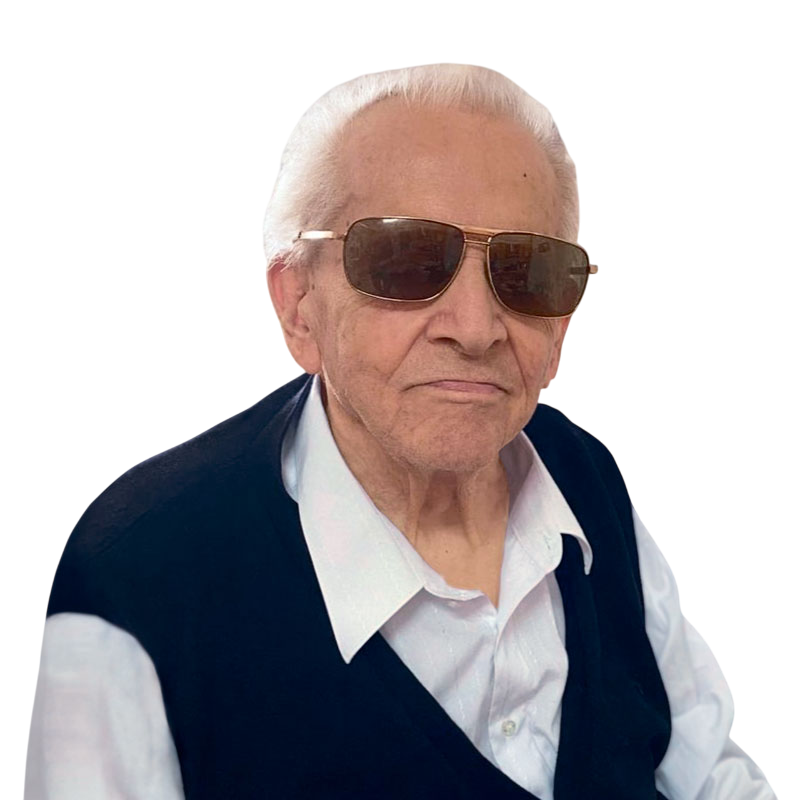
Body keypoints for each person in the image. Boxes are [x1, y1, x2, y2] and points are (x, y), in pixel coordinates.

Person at [25, 64, 776, 800]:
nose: (476, 328)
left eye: (526, 270)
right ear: (298, 305)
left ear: (562, 323)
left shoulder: (585, 481)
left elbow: (706, 773)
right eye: (409, 260)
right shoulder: (139, 574)